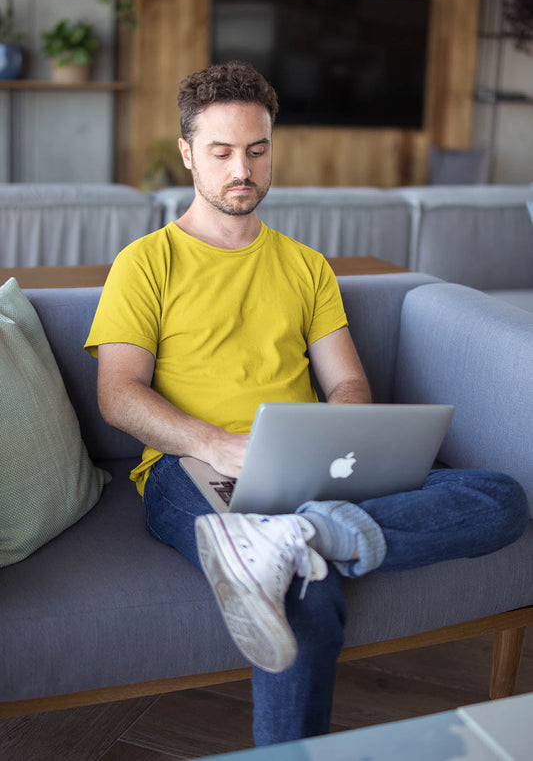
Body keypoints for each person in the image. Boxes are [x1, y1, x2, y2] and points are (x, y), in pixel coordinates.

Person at [84, 61, 529, 746]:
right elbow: (117, 394)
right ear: (187, 154)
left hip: (311, 469)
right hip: (193, 470)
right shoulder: (147, 262)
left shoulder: (304, 265)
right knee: (301, 591)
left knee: (502, 497)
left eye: (257, 150)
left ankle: (310, 531)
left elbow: (346, 383)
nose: (242, 169)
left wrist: (337, 434)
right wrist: (217, 445)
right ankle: (292, 547)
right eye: (222, 152)